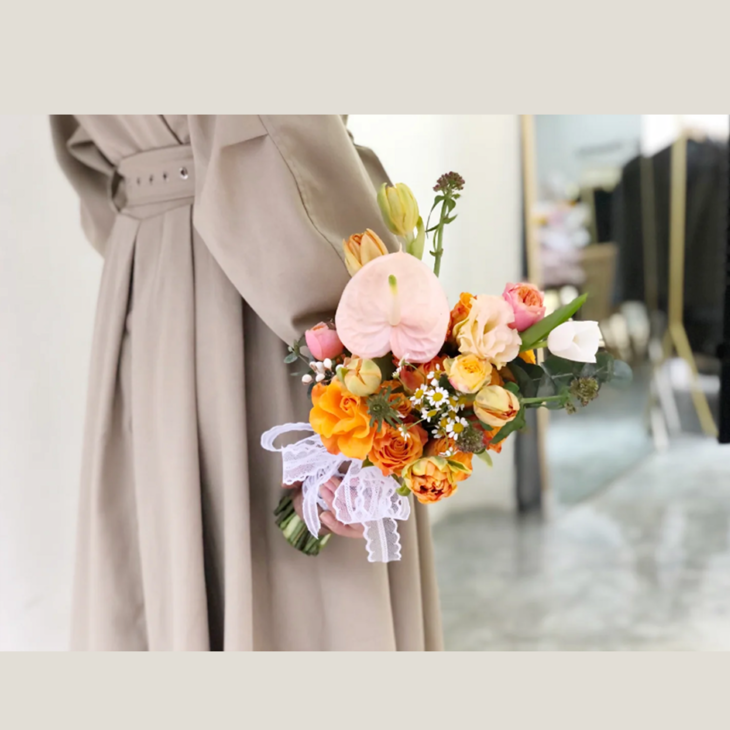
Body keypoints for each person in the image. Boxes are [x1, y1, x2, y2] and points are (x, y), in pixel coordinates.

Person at [51, 115, 443, 651]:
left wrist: (154, 240)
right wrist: (371, 348)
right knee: (307, 603)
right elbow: (266, 130)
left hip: (149, 286)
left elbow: (86, 157)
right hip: (259, 292)